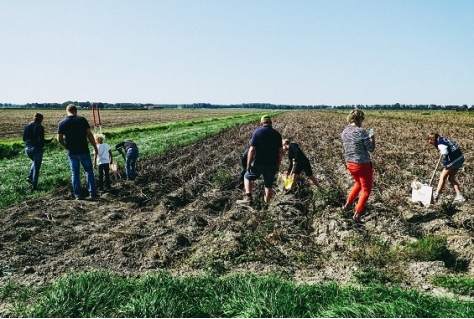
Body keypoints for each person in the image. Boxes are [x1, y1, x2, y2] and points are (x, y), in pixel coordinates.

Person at [237, 115, 283, 204]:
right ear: (271, 123)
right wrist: (278, 164)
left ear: (262, 123)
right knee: (268, 185)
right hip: (272, 164)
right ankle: (267, 205)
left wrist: (248, 164)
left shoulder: (257, 133)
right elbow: (280, 152)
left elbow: (252, 150)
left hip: (259, 163)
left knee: (247, 177)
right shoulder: (277, 134)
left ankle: (248, 198)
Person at [57, 104, 99, 200]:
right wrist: (95, 146)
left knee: (75, 173)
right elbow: (89, 134)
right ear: (76, 111)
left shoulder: (62, 122)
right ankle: (92, 193)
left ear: (67, 111)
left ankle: (78, 195)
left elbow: (59, 139)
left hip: (72, 152)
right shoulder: (82, 120)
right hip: (83, 150)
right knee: (89, 171)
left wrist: (66, 146)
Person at [341, 109, 375, 222]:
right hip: (362, 164)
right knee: (366, 190)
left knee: (358, 184)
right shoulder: (361, 132)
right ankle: (357, 214)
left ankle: (347, 205)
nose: (362, 121)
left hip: (350, 164)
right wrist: (372, 139)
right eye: (362, 119)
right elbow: (371, 148)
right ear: (359, 119)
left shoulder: (344, 132)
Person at [428, 133, 465, 202]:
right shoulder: (443, 139)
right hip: (460, 158)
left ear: (433, 139)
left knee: (442, 177)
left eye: (430, 140)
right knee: (450, 178)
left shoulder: (440, 142)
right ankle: (459, 195)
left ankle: (436, 195)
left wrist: (442, 151)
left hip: (453, 159)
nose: (429, 142)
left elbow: (445, 151)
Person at [22, 113, 54, 191]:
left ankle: (30, 177)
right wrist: (48, 141)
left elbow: (24, 138)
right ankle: (34, 186)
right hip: (36, 149)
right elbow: (40, 140)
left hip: (27, 148)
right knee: (37, 168)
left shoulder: (27, 126)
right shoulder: (40, 127)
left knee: (34, 162)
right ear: (41, 119)